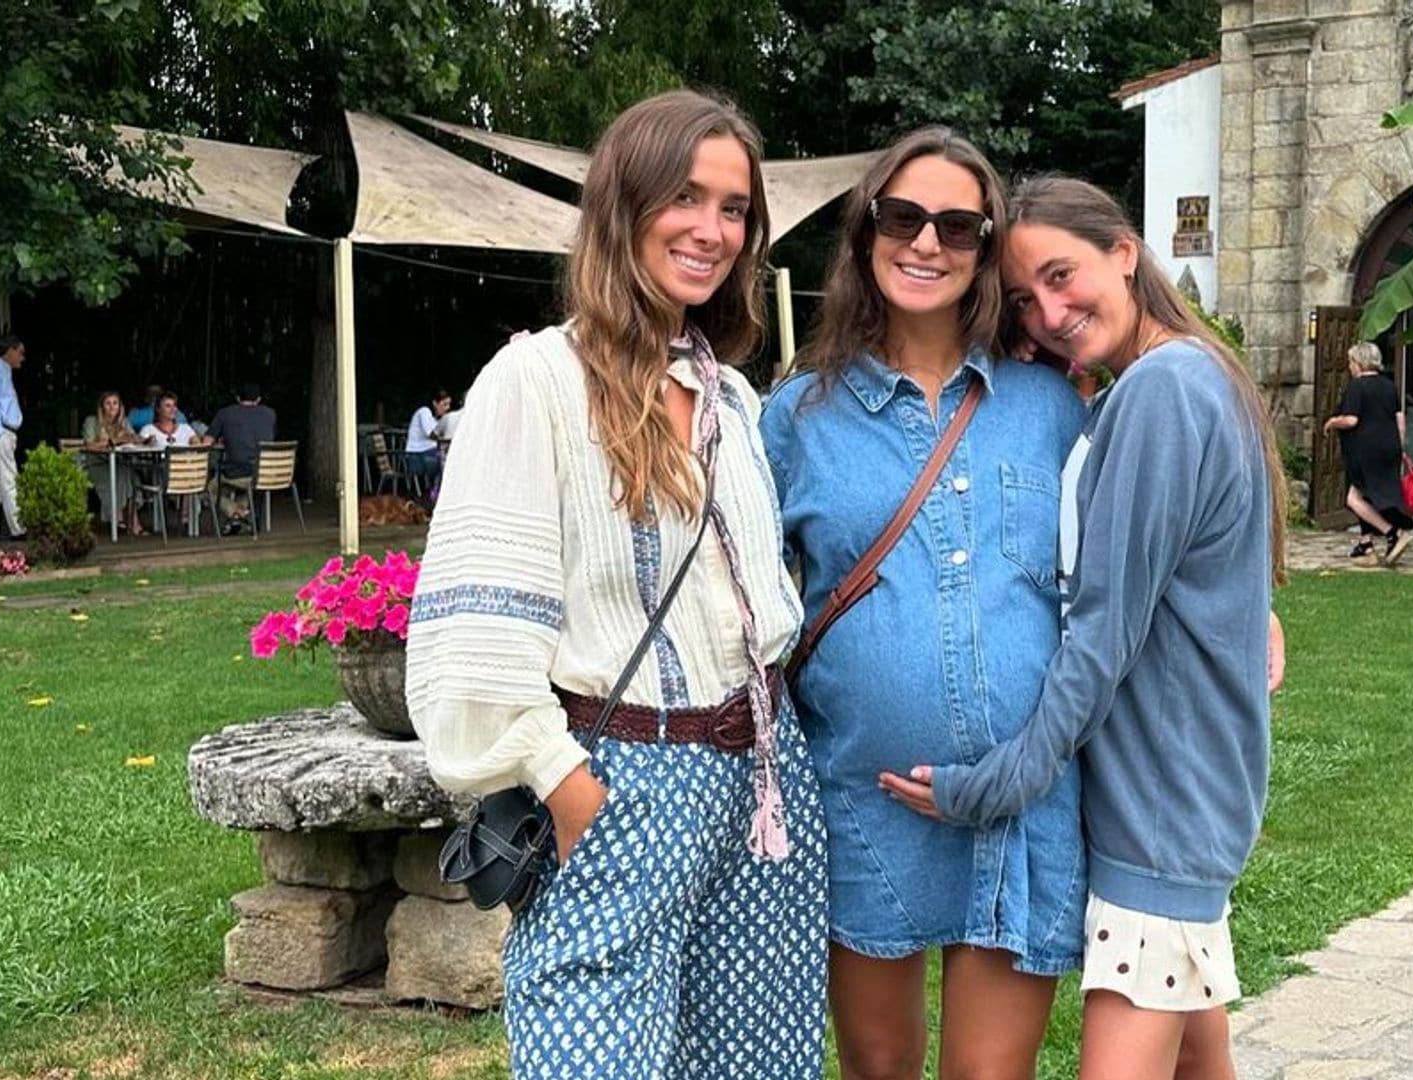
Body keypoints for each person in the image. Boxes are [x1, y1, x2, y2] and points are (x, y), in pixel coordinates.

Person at [405, 89, 827, 1080]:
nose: (713, 229)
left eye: (735, 209)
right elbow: (480, 614)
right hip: (619, 778)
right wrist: (560, 779)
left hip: (761, 790)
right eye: (687, 196)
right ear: (624, 206)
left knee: (752, 1064)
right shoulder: (536, 380)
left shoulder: (730, 394)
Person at [879, 177, 1289, 1080]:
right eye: (1027, 298)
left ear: (1125, 253)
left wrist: (989, 787)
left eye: (1064, 276)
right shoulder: (1159, 382)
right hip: (1172, 794)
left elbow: (1102, 637)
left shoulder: (1164, 390)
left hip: (1164, 810)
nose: (1053, 312)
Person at [760, 129, 1086, 1080]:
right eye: (903, 218)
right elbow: (723, 589)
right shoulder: (799, 418)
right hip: (865, 804)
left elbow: (1136, 560)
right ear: (866, 232)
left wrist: (1243, 612)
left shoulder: (1051, 407)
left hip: (1020, 801)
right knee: (878, 1068)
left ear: (988, 249)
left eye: (957, 224)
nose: (926, 243)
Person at [1322, 341, 1413, 566]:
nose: (1350, 367)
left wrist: (1332, 422)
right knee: (1369, 496)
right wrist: (1400, 446)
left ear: (1360, 363)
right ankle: (1366, 546)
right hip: (1389, 448)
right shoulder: (1388, 385)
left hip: (1366, 451)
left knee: (1353, 499)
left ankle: (1393, 532)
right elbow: (1399, 419)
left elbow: (1351, 419)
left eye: (1351, 362)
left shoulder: (1358, 386)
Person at [208, 382, 277, 532]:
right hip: (267, 473)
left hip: (239, 473)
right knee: (249, 486)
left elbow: (207, 442)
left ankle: (237, 513)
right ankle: (240, 516)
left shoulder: (225, 414)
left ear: (238, 398)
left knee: (209, 488)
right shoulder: (270, 414)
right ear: (258, 399)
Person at [80, 390, 145, 535]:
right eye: (108, 404)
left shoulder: (124, 422)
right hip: (96, 464)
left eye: (115, 403)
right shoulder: (92, 421)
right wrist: (113, 441)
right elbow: (89, 445)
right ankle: (122, 519)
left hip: (118, 463)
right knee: (122, 474)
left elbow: (133, 437)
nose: (112, 407)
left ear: (120, 406)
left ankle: (127, 519)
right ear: (102, 406)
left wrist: (141, 439)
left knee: (131, 475)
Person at [0, 334, 25, 540]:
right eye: (20, 352)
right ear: (10, 350)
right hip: (0, 432)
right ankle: (18, 528)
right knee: (8, 479)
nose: (22, 357)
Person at [404, 388, 450, 484]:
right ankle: (437, 491)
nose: (447, 408)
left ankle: (437, 490)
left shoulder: (435, 418)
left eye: (448, 404)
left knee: (450, 459)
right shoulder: (424, 412)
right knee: (447, 463)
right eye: (444, 404)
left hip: (428, 454)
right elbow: (431, 434)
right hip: (417, 457)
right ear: (434, 403)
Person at [134, 392, 209, 448]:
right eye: (168, 406)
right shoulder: (148, 429)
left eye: (174, 405)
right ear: (158, 409)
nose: (173, 409)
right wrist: (147, 444)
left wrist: (196, 442)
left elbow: (198, 447)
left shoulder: (185, 429)